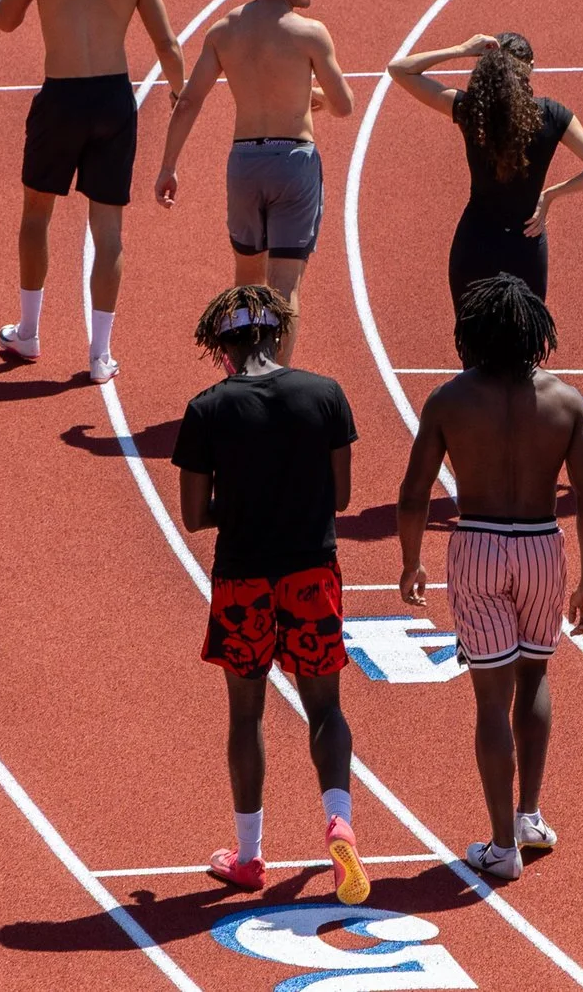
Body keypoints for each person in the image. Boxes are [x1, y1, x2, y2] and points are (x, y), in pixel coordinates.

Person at [398, 274, 583, 885]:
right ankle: (529, 818)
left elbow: (414, 494)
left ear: (473, 334)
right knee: (535, 674)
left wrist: (412, 560)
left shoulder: (448, 402)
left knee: (491, 698)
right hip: (543, 546)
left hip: (480, 542)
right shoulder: (566, 403)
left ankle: (498, 845)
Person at [171, 285, 370, 905]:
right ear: (277, 335)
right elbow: (340, 499)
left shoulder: (207, 409)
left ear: (224, 345)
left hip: (242, 579)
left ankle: (250, 857)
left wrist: (244, 498)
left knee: (247, 714)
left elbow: (194, 517)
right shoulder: (326, 394)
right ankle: (339, 819)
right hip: (312, 573)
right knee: (326, 710)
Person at [0, 0, 184, 384]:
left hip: (62, 97)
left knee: (36, 216)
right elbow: (168, 44)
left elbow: (5, 20)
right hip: (113, 100)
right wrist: (179, 93)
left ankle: (29, 333)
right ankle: (100, 356)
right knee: (109, 233)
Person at [155, 0, 355, 362]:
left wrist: (168, 165)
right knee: (285, 284)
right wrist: (308, 95)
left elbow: (188, 100)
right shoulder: (310, 33)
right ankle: (278, 380)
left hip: (244, 161)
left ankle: (244, 372)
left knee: (246, 280)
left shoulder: (224, 30)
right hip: (293, 162)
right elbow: (344, 106)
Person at [385, 31, 583, 310]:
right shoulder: (552, 114)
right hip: (526, 245)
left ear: (490, 65)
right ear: (530, 67)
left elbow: (399, 70)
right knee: (524, 344)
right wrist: (549, 196)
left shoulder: (471, 110)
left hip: (476, 243)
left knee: (474, 345)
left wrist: (461, 49)